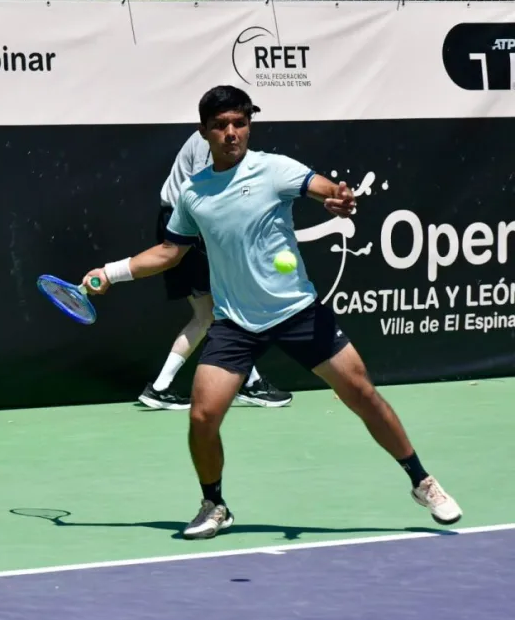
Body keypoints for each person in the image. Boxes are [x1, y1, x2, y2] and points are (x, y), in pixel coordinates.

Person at [81, 85, 462, 540]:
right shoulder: (193, 193)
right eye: (220, 125)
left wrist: (337, 198)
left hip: (298, 312)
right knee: (203, 416)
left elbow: (320, 188)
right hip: (236, 323)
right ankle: (214, 504)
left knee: (361, 393)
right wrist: (111, 272)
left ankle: (422, 481)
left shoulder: (273, 169)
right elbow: (168, 252)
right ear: (204, 131)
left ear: (249, 126)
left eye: (239, 123)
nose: (231, 133)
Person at [142, 129, 293, 411]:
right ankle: (250, 384)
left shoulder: (222, 144)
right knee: (221, 309)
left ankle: (161, 387)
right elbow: (207, 193)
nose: (234, 131)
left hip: (181, 222)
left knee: (208, 313)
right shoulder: (207, 144)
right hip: (186, 225)